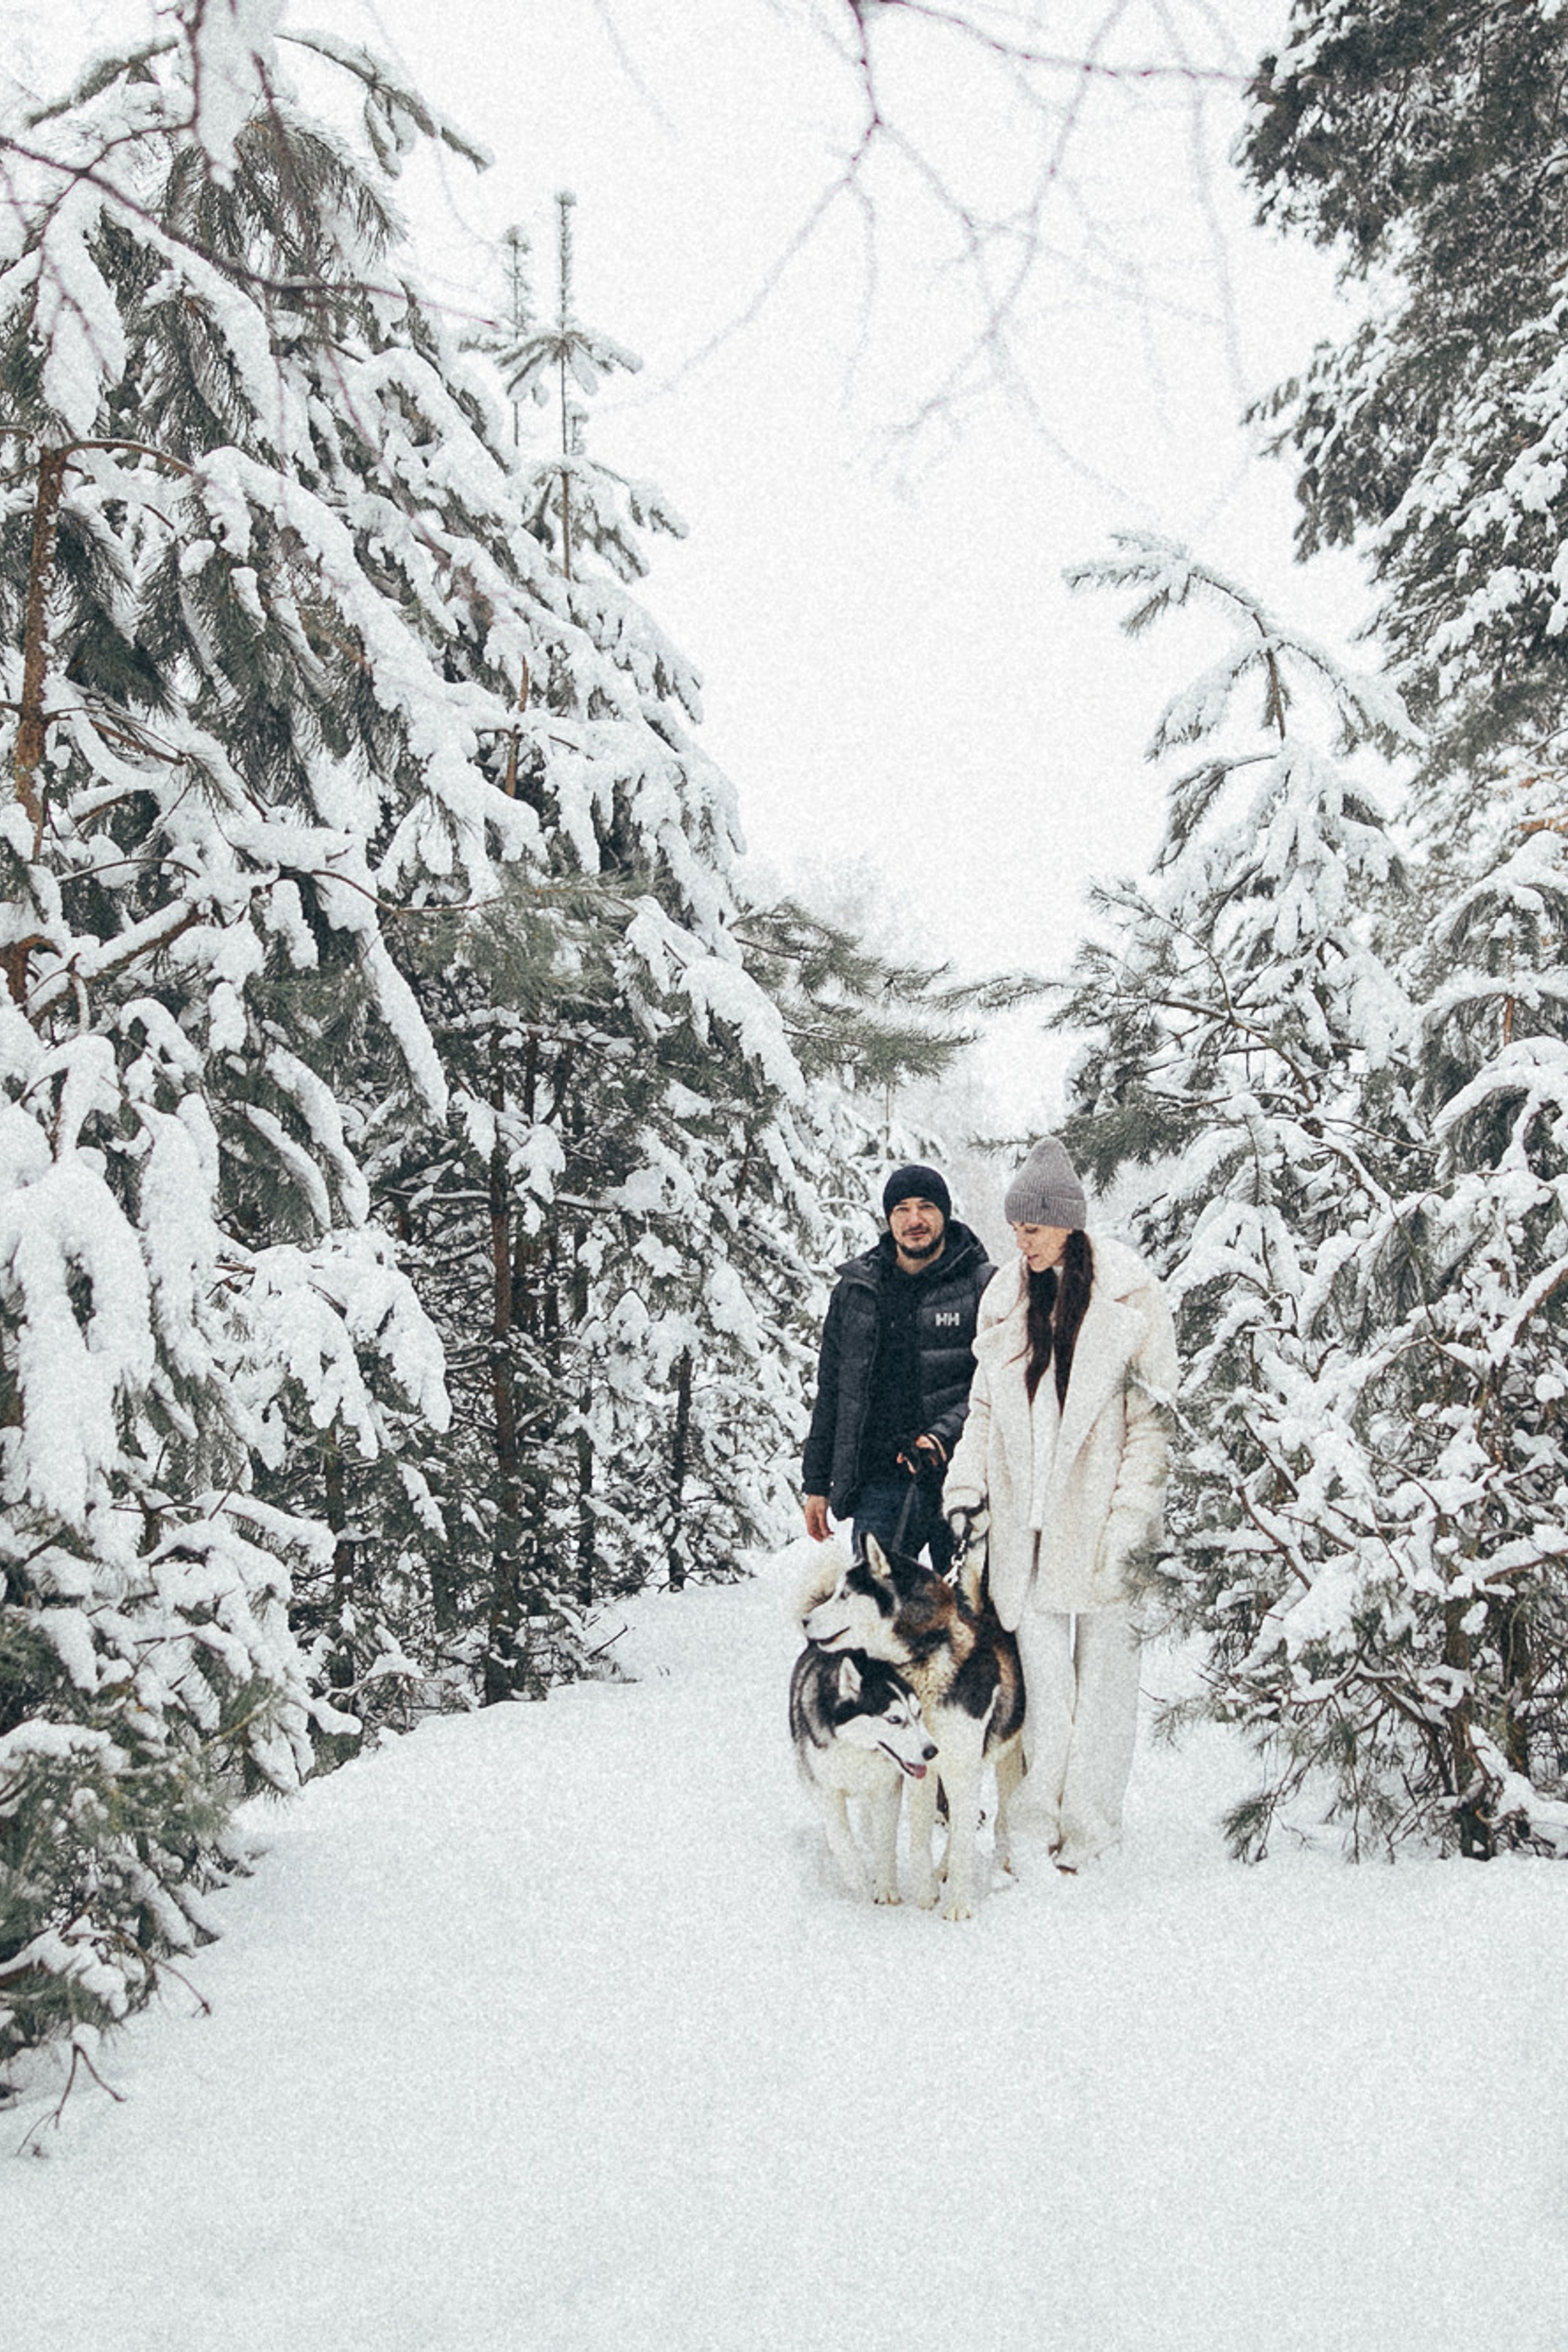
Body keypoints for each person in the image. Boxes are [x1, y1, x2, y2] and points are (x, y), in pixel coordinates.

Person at [942, 1136, 1176, 1871]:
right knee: (1042, 1692)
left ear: (1069, 1224)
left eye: (1033, 1229)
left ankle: (1091, 1828)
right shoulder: (1003, 1298)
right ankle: (1031, 1827)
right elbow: (981, 1411)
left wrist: (1130, 1523)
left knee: (1105, 1691)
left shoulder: (1131, 1300)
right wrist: (964, 1490)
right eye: (1014, 1228)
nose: (1021, 1242)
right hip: (1023, 1529)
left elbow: (1155, 1426)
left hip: (1105, 1526)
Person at [802, 1163, 993, 1576]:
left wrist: (941, 1437)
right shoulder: (856, 1291)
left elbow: (994, 1385)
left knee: (968, 1620)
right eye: (902, 1209)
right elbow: (834, 1389)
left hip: (962, 1480)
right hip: (879, 1485)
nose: (915, 1220)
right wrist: (816, 1484)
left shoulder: (984, 1286)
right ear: (889, 1219)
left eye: (926, 1207)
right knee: (877, 1617)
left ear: (945, 1213)